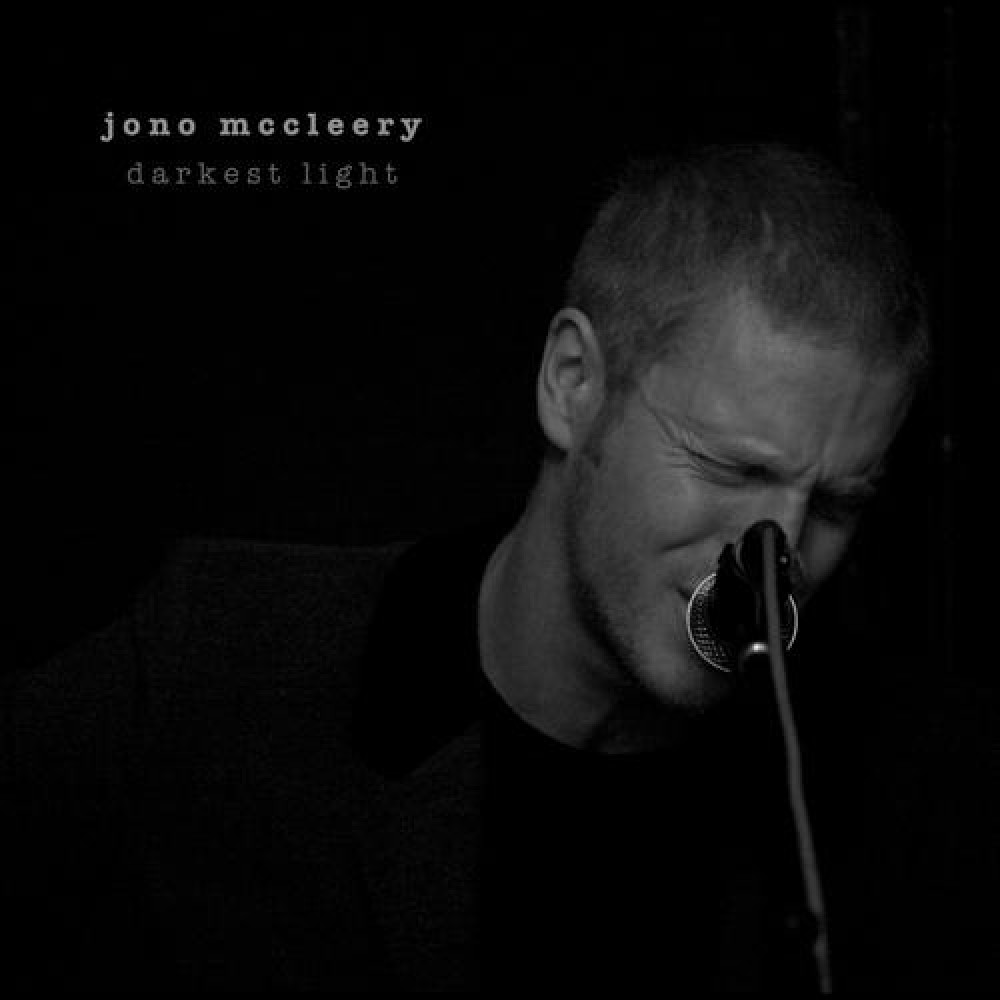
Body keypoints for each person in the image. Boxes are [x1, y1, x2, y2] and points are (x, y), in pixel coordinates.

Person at [3, 143, 928, 991]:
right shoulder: (218, 655)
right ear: (573, 384)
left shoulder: (898, 801)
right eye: (732, 468)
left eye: (835, 505)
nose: (778, 557)